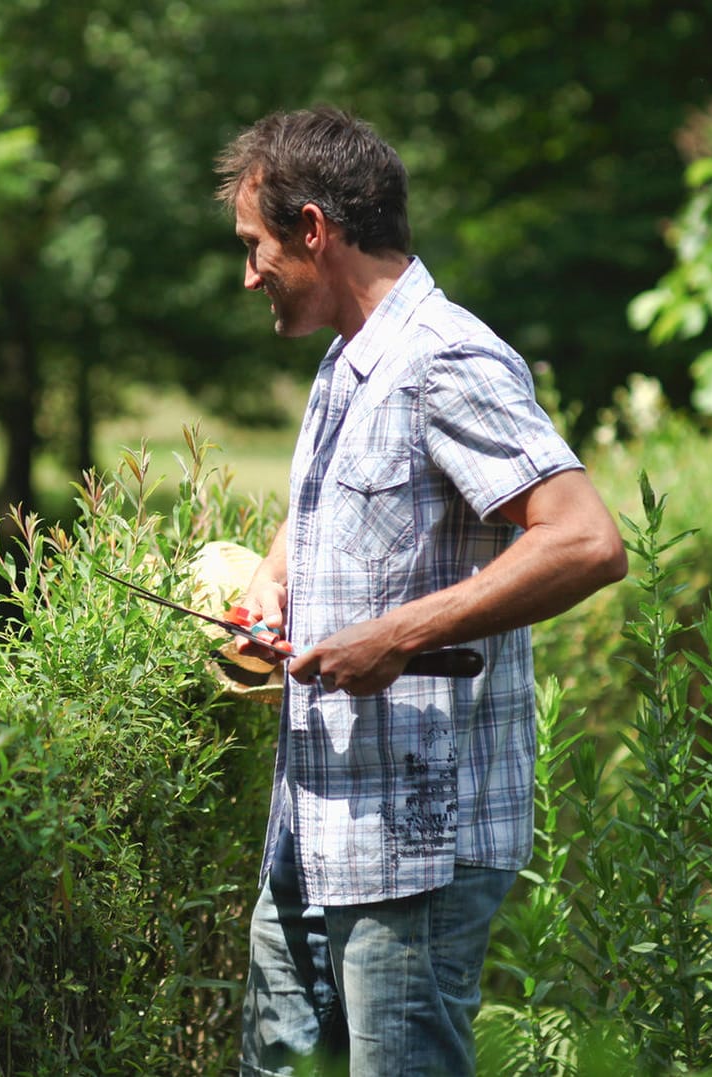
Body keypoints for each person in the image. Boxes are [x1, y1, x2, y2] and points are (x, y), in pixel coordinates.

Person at [216, 107, 627, 1076]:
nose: (247, 276)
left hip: (413, 843)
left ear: (314, 229)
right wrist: (274, 586)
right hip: (312, 823)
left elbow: (585, 541)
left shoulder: (447, 358)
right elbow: (328, 508)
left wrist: (392, 637)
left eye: (254, 246)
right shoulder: (344, 364)